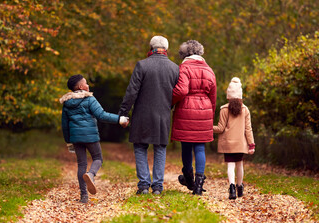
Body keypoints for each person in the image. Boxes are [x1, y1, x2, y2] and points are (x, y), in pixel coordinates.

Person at [118, 36, 179, 195]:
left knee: (140, 147)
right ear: (166, 49)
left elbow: (131, 92)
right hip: (163, 115)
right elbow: (177, 93)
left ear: (151, 47)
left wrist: (123, 113)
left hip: (142, 114)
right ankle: (157, 187)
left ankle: (144, 185)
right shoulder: (174, 68)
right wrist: (169, 106)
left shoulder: (142, 65)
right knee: (160, 149)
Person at [60, 74, 129, 203]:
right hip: (90, 135)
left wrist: (68, 141)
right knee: (98, 158)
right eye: (86, 83)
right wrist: (120, 119)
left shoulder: (67, 103)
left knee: (81, 164)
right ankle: (91, 174)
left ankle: (84, 196)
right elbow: (101, 115)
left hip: (75, 138)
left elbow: (64, 124)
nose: (88, 85)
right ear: (81, 86)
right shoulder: (89, 99)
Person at [171, 40, 217, 195]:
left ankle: (189, 179)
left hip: (186, 109)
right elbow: (213, 96)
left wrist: (169, 102)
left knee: (186, 146)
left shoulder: (183, 68)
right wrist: (210, 115)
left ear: (185, 54)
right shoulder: (209, 70)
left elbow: (181, 91)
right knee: (200, 147)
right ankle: (199, 184)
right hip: (205, 109)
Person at [213, 77, 255, 200]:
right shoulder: (245, 110)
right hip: (241, 144)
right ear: (240, 95)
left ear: (229, 95)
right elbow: (248, 129)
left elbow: (220, 128)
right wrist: (251, 144)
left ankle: (231, 188)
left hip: (228, 144)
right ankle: (239, 187)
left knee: (230, 166)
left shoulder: (224, 109)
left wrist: (208, 127)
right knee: (239, 165)